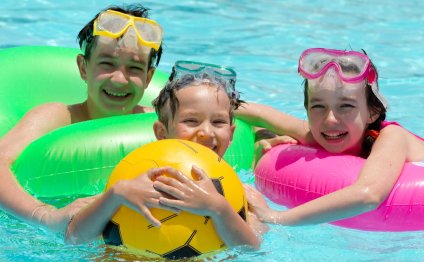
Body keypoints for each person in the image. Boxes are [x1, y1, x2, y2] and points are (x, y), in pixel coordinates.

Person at [0, 4, 163, 233]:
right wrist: (46, 215)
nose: (119, 79)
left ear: (149, 78)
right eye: (107, 64)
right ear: (83, 67)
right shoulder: (57, 117)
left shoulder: (158, 123)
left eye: (134, 68)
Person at [65, 61, 262, 249]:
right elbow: (74, 237)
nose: (206, 132)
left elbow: (252, 250)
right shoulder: (137, 179)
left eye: (218, 122)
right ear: (161, 133)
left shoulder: (238, 194)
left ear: (231, 134)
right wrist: (115, 195)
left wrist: (218, 208)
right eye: (192, 121)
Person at [236, 48, 424, 226]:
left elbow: (369, 195)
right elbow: (261, 115)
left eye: (346, 106)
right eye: (318, 106)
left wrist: (276, 217)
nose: (330, 119)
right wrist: (264, 142)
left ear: (372, 113)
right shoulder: (317, 134)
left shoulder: (392, 137)